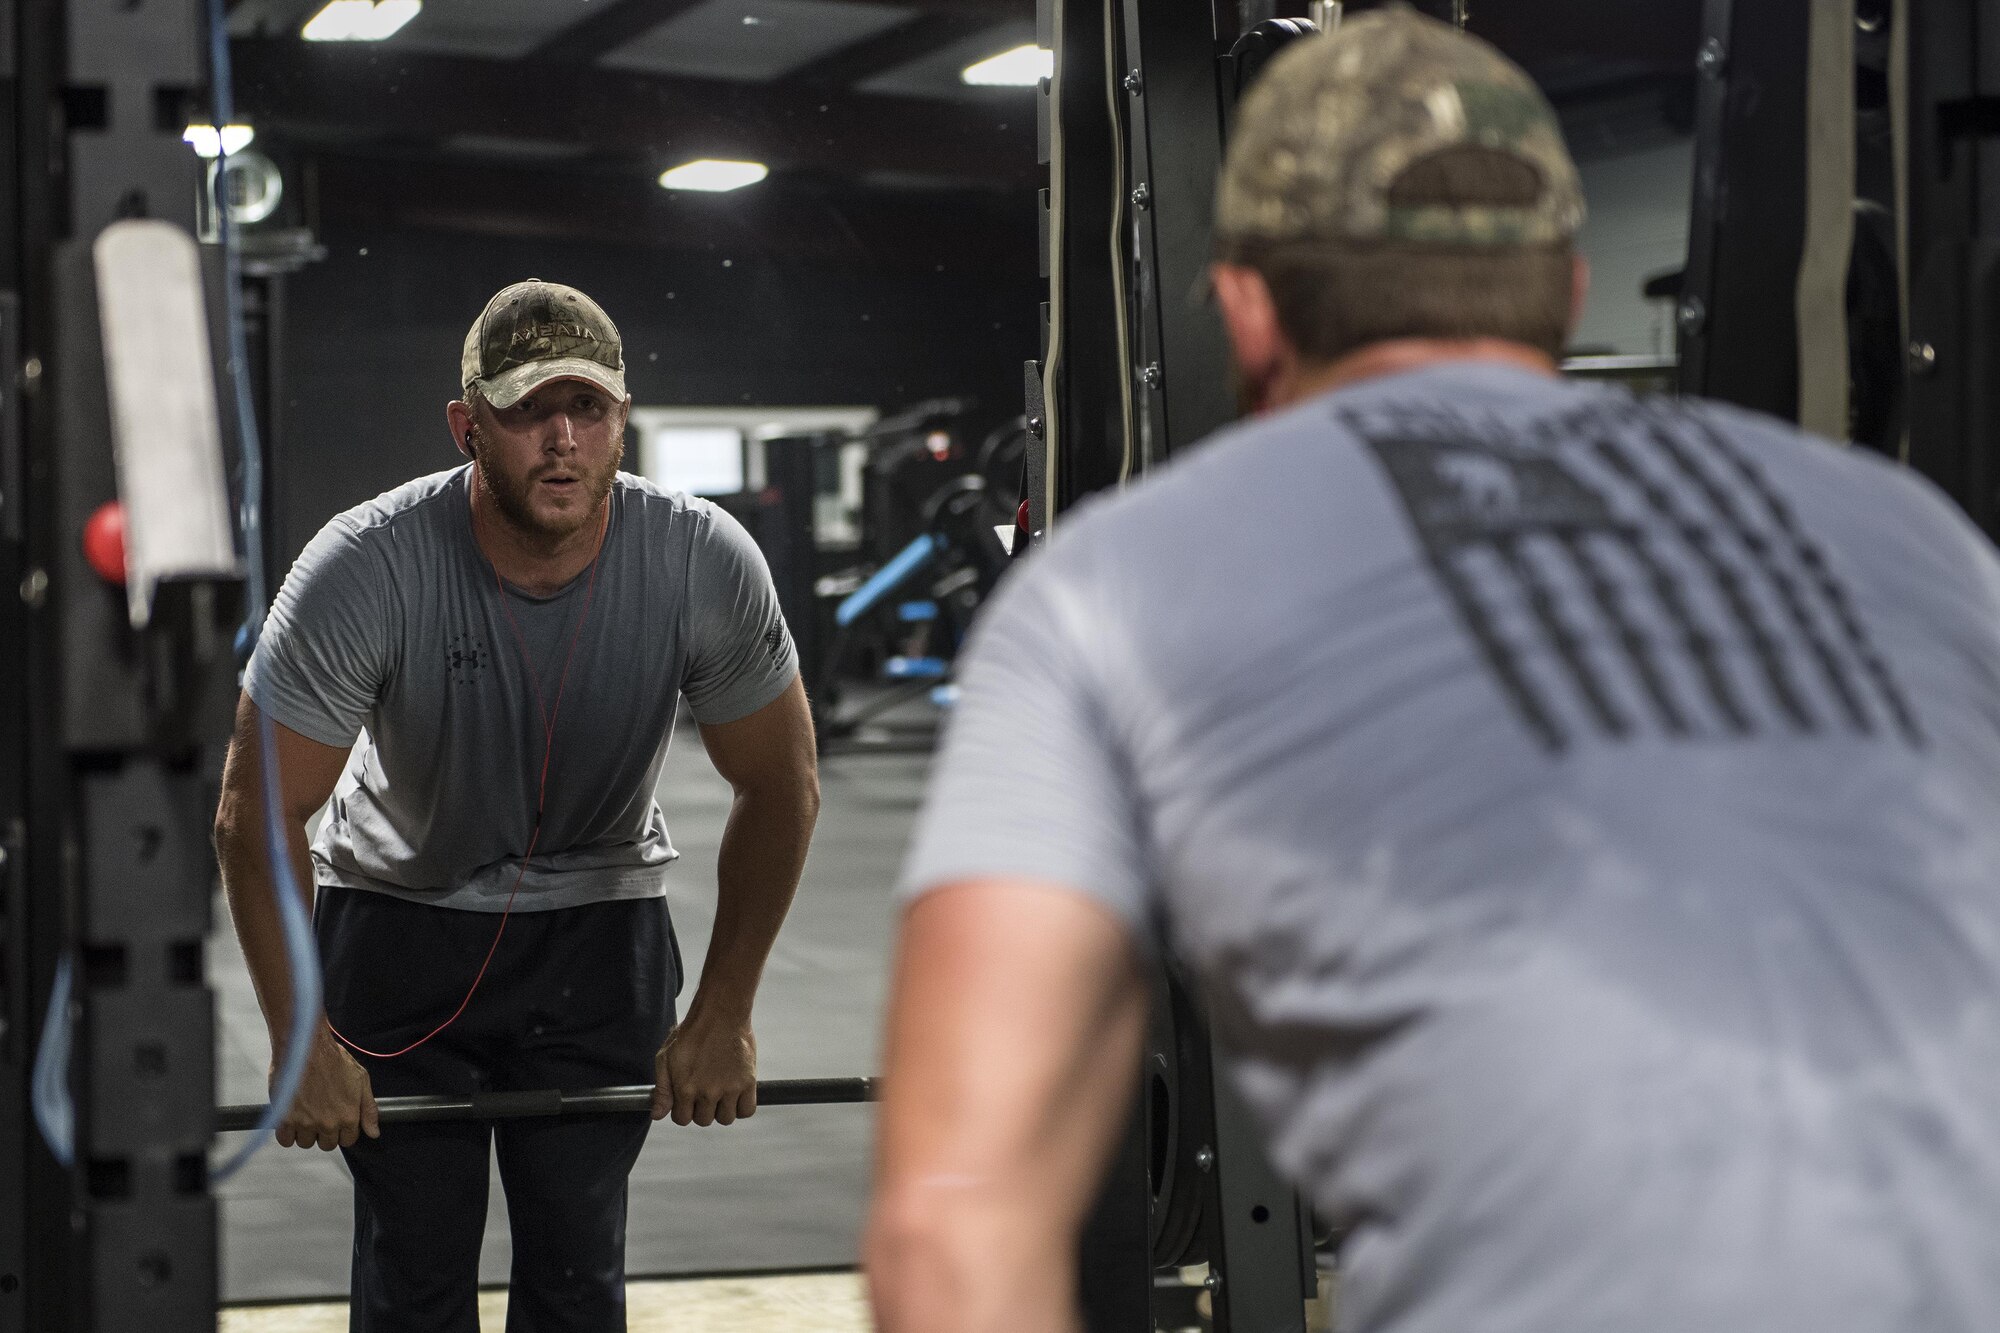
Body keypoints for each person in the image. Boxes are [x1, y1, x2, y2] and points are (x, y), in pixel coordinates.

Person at [866, 12, 2000, 1333]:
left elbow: (954, 1221)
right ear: (1568, 292)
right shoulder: (1908, 532)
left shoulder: (1115, 587)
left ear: (1242, 306)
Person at [212, 279, 820, 1332]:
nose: (561, 439)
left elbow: (781, 783)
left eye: (588, 409)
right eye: (529, 409)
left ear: (621, 421)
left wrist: (724, 1009)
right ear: (467, 425)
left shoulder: (700, 560)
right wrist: (299, 1033)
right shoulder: (364, 565)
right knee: (415, 1277)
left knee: (578, 1273)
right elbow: (252, 814)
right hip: (399, 926)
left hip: (597, 934)